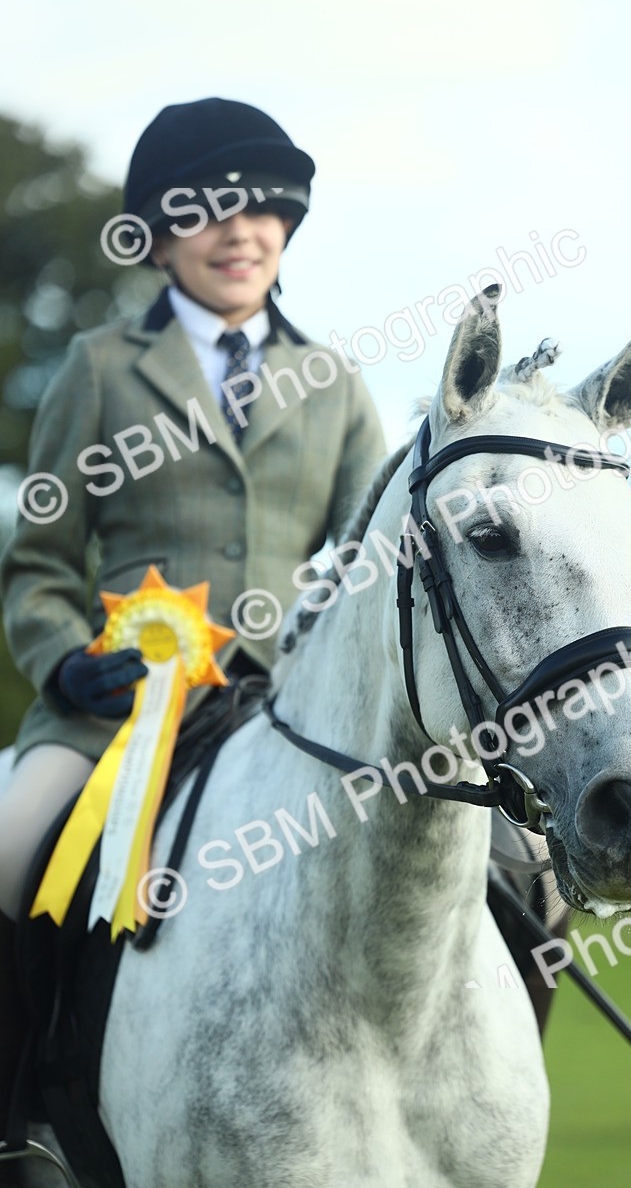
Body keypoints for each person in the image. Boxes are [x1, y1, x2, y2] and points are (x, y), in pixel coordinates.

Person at [0, 97, 387, 1146]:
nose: (241, 232)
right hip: (115, 712)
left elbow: (371, 562)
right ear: (159, 239)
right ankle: (19, 1119)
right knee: (10, 848)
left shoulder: (335, 383)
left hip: (289, 707)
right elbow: (36, 567)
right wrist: (66, 663)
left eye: (264, 211)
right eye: (210, 212)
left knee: (489, 861)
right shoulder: (97, 370)